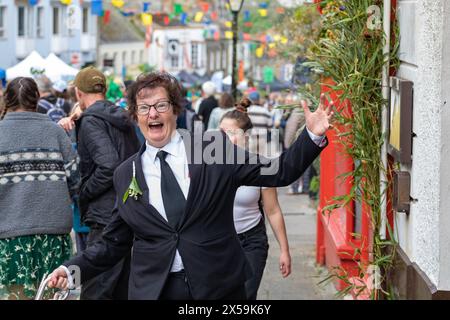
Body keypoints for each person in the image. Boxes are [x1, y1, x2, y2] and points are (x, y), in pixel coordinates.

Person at [48, 71, 333, 300]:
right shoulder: (126, 173)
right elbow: (112, 243)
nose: (153, 114)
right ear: (135, 115)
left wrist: (312, 135)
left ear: (174, 110)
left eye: (161, 105)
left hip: (216, 285)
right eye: (144, 108)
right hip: (155, 289)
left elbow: (278, 172)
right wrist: (70, 269)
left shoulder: (213, 148)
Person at [58, 66, 140, 300]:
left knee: (97, 291)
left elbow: (109, 165)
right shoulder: (122, 118)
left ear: (78, 93)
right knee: (120, 290)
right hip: (126, 211)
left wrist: (84, 192)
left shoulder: (92, 121)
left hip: (106, 217)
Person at [0, 77, 79, 299]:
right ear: (37, 99)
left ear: (6, 100)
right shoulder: (56, 133)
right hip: (54, 238)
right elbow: (76, 182)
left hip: (9, 241)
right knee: (54, 296)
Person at [219, 98, 291, 300]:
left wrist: (284, 251)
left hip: (251, 241)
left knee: (246, 296)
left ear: (246, 136)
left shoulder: (260, 166)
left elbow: (273, 210)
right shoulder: (208, 166)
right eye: (220, 132)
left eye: (230, 133)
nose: (222, 138)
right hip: (218, 242)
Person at [247, 91, 273, 157]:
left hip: (251, 137)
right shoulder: (265, 111)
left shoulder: (247, 111)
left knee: (251, 157)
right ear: (258, 100)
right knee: (260, 157)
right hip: (262, 136)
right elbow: (270, 126)